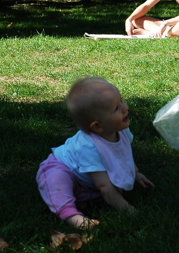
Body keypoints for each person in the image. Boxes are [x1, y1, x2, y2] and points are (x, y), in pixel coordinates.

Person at [36, 77, 155, 229]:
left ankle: (83, 197)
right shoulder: (88, 147)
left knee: (111, 190)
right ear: (97, 126)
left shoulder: (121, 130)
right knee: (58, 182)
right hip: (62, 168)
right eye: (116, 108)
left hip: (87, 179)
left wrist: (135, 173)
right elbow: (104, 186)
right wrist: (128, 210)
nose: (125, 107)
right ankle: (72, 216)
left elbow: (123, 155)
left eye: (121, 100)